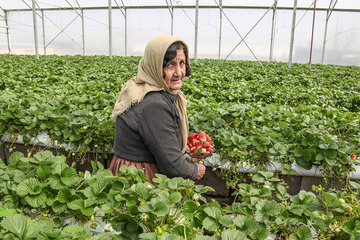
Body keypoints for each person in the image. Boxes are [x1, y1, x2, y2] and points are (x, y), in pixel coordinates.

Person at [110, 35, 207, 183]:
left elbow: (154, 136)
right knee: (149, 206)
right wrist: (195, 170)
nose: (179, 72)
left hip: (129, 168)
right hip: (140, 176)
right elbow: (172, 165)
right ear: (155, 65)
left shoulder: (141, 87)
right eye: (169, 65)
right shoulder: (154, 104)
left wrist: (181, 145)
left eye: (182, 63)